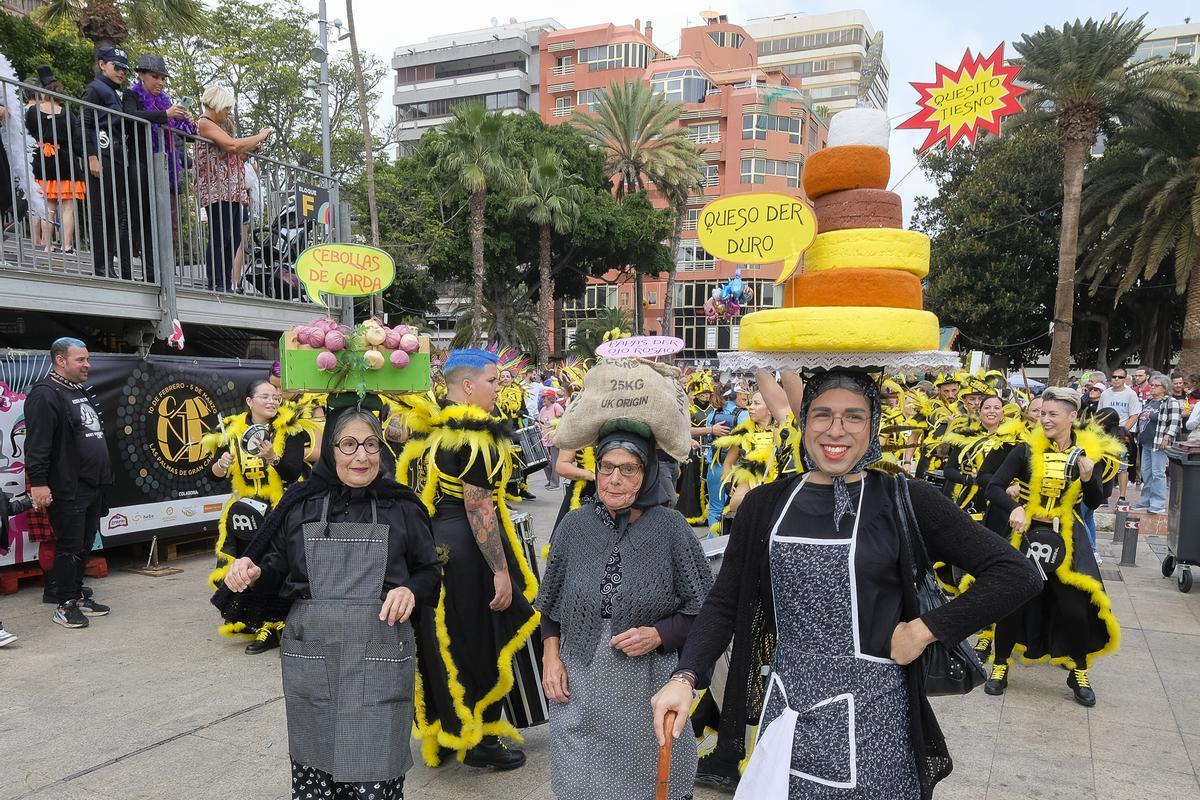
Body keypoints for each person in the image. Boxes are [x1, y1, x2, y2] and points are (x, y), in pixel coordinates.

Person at [652, 371, 1041, 799]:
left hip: (877, 722)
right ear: (804, 422)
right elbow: (724, 601)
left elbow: (1016, 574)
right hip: (785, 712)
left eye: (853, 416)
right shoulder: (765, 504)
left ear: (873, 425)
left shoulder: (904, 499)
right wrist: (685, 677)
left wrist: (925, 629)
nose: (836, 430)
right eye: (822, 414)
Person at [217, 407, 441, 800]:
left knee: (374, 770)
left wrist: (411, 590)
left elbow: (429, 571)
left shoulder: (403, 507)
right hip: (313, 656)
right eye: (348, 444)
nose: (361, 456)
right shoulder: (300, 504)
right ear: (330, 449)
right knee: (316, 771)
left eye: (370, 444)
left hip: (379, 655)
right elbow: (277, 567)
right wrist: (253, 572)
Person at [538, 424, 712, 800]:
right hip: (581, 688)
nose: (614, 479)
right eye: (607, 466)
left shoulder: (671, 529)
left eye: (628, 468)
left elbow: (705, 610)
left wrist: (660, 633)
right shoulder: (574, 526)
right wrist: (551, 657)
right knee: (582, 785)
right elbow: (550, 605)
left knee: (650, 782)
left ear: (647, 474)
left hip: (647, 688)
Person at [409, 349, 539, 769]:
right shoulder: (474, 437)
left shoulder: (431, 431)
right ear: (467, 386)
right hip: (468, 551)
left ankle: (449, 731)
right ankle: (479, 739)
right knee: (480, 641)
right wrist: (500, 570)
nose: (498, 388)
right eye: (492, 380)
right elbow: (479, 506)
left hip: (433, 545)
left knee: (443, 641)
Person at [985, 387, 1124, 706]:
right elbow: (993, 487)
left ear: (1072, 416)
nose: (1045, 419)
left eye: (1052, 414)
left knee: (1075, 609)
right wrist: (1014, 508)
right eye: (1042, 413)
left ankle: (1079, 670)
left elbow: (1095, 501)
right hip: (1026, 535)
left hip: (1068, 537)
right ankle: (1000, 665)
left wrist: (1088, 479)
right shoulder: (1024, 450)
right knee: (1013, 602)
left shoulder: (1088, 453)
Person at [203, 378, 320, 653]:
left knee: (276, 567)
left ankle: (277, 624)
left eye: (275, 397)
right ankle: (255, 622)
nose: (272, 401)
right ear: (249, 401)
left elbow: (293, 472)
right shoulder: (231, 430)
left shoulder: (289, 428)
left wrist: (272, 457)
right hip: (244, 512)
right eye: (265, 397)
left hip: (281, 511)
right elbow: (212, 476)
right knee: (245, 566)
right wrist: (221, 465)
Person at [24, 338, 113, 629]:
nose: (88, 365)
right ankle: (64, 604)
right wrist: (39, 483)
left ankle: (76, 594)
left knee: (84, 545)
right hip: (68, 487)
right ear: (60, 361)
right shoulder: (45, 394)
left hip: (91, 485)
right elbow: (37, 444)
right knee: (70, 547)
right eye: (81, 360)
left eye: (87, 359)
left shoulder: (77, 389)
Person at [122, 54, 194, 282]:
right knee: (135, 218)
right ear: (141, 75)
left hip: (162, 166)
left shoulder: (165, 102)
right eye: (155, 77)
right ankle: (127, 270)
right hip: (139, 162)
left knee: (157, 221)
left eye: (163, 78)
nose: (160, 82)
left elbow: (187, 137)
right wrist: (165, 115)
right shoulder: (131, 94)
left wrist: (186, 120)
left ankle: (156, 272)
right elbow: (130, 116)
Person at [195, 85, 271, 292]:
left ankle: (225, 282)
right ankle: (217, 282)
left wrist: (252, 146)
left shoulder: (220, 127)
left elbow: (234, 150)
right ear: (216, 105)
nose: (228, 112)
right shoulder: (204, 123)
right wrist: (259, 136)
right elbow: (232, 146)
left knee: (234, 238)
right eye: (226, 108)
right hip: (217, 189)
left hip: (233, 189)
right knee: (221, 236)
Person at [80, 46, 133, 279]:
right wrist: (91, 155)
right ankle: (101, 266)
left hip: (118, 156)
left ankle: (109, 264)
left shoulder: (116, 92)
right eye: (116, 67)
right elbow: (83, 123)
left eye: (124, 69)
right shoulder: (95, 89)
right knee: (100, 212)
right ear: (102, 64)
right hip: (101, 154)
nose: (121, 72)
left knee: (114, 213)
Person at [24, 65, 86, 254]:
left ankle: (47, 245)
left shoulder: (32, 112)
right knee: (68, 206)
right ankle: (67, 245)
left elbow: (27, 133)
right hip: (65, 160)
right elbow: (76, 141)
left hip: (42, 161)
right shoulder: (68, 114)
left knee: (47, 206)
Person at [1132, 374, 1180, 514]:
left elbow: (1175, 422)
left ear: (1164, 388)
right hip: (1145, 442)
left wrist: (1167, 436)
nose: (1152, 387)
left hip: (1158, 443)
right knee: (1146, 473)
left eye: (1156, 385)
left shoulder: (1170, 402)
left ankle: (1158, 503)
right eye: (1151, 385)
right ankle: (1145, 500)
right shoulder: (1149, 401)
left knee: (1158, 473)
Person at [1098, 368, 1142, 503]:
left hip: (1122, 434)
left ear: (1125, 379)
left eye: (1120, 377)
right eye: (1114, 376)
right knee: (1103, 464)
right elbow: (1100, 414)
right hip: (1105, 434)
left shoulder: (1130, 394)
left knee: (1122, 466)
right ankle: (1103, 496)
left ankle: (1122, 496)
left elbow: (1134, 415)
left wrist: (1123, 431)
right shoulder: (1105, 394)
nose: (1116, 379)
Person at [537, 389, 564, 491]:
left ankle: (555, 483)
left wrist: (553, 423)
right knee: (545, 462)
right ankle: (550, 481)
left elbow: (562, 420)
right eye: (543, 397)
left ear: (550, 398)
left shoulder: (557, 407)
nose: (543, 399)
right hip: (544, 439)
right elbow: (540, 422)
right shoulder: (543, 409)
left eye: (545, 397)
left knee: (554, 462)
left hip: (554, 439)